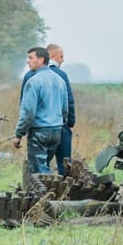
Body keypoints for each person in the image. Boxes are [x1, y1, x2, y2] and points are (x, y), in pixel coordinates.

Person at [14, 46, 67, 178]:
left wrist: (19, 134)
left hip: (39, 131)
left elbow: (28, 112)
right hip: (56, 130)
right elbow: (65, 108)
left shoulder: (33, 82)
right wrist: (60, 124)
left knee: (38, 173)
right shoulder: (60, 81)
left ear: (41, 59)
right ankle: (50, 194)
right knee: (45, 167)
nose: (28, 61)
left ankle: (41, 197)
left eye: (31, 58)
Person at [47, 44, 76, 176]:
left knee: (41, 164)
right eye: (61, 56)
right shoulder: (61, 75)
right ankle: (65, 191)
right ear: (52, 56)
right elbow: (69, 101)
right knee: (64, 162)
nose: (63, 60)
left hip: (40, 126)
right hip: (60, 124)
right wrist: (70, 123)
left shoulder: (33, 75)